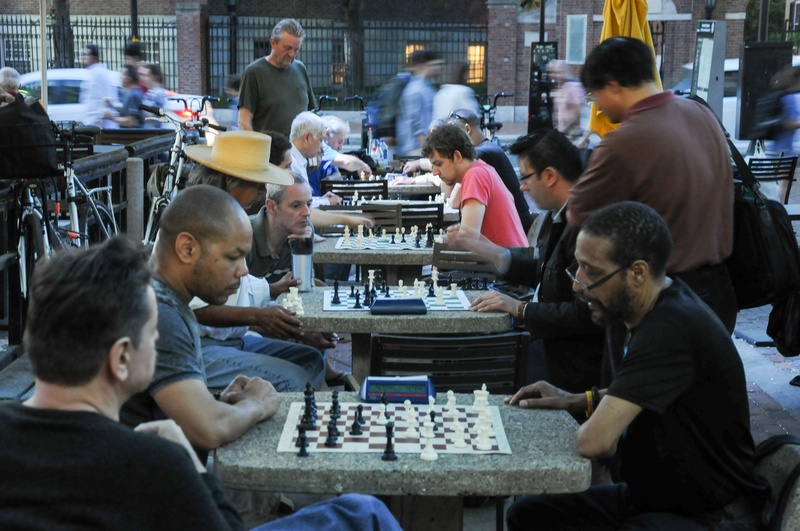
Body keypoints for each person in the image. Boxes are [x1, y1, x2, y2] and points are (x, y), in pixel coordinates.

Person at [1, 236, 402, 531]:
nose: (157, 342)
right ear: (121, 358)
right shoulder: (154, 463)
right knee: (363, 514)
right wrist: (191, 462)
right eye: (152, 333)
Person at [505, 202, 769, 530]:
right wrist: (576, 399)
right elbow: (640, 392)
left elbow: (594, 442)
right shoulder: (662, 304)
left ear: (638, 272)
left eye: (592, 271)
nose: (577, 284)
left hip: (712, 516)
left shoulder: (670, 329)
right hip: (662, 499)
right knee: (527, 515)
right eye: (578, 268)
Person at [567, 37, 737, 333]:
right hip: (721, 290)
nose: (598, 109)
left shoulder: (624, 141)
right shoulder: (702, 113)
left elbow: (578, 215)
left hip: (661, 300)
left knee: (642, 380)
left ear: (614, 85)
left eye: (595, 96)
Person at [121, 185, 282, 460]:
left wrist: (215, 404)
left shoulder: (157, 294)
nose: (243, 270)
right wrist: (255, 404)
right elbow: (207, 430)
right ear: (187, 248)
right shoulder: (162, 315)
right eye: (234, 257)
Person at [451, 130, 604, 392]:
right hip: (541, 339)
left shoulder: (587, 225)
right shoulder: (556, 215)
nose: (522, 186)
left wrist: (520, 309)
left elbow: (585, 313)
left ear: (549, 176)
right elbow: (544, 272)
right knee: (460, 350)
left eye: (525, 177)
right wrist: (501, 256)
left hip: (565, 360)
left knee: (465, 366)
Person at [184, 131, 325, 392]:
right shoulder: (197, 222)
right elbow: (194, 309)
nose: (262, 191)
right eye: (256, 183)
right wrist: (257, 316)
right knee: (291, 379)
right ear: (230, 180)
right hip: (196, 347)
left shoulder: (228, 216)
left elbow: (238, 283)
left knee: (310, 359)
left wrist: (272, 289)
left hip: (232, 341)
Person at [422, 123, 527, 247]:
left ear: (457, 156)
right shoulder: (481, 169)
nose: (435, 172)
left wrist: (443, 239)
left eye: (438, 164)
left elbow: (468, 239)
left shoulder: (475, 176)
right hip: (509, 260)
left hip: (509, 264)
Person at [238, 18, 315, 136]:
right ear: (273, 43)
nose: (292, 54)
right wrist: (253, 150)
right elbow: (244, 120)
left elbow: (311, 113)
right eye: (287, 48)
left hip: (299, 152)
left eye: (296, 50)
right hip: (270, 152)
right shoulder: (254, 72)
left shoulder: (300, 69)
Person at [306, 115, 373, 196]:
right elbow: (347, 162)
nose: (340, 147)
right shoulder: (321, 147)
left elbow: (337, 174)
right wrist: (362, 165)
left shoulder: (330, 154)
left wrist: (329, 179)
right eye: (339, 142)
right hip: (313, 201)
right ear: (327, 133)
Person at [289, 111, 342, 207]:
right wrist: (326, 202)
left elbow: (303, 201)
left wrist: (321, 199)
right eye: (320, 140)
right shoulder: (291, 162)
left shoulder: (298, 160)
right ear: (307, 137)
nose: (321, 147)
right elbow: (300, 207)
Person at [396, 49, 443, 157]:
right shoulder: (419, 89)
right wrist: (430, 153)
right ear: (425, 65)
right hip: (416, 149)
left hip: (415, 147)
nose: (439, 68)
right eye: (435, 64)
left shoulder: (423, 87)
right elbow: (420, 127)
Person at [548, 60, 589, 147]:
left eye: (557, 72)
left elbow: (583, 112)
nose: (554, 75)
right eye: (552, 72)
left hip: (573, 137)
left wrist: (583, 139)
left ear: (565, 71)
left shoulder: (574, 87)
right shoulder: (560, 88)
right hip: (563, 135)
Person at [80, 44, 119, 129]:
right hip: (92, 119)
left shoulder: (100, 73)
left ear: (94, 57)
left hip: (99, 121)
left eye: (86, 55)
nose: (84, 57)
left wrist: (102, 117)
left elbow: (108, 98)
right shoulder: (92, 72)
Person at [138, 63, 167, 128]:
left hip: (155, 130)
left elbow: (153, 115)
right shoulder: (150, 92)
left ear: (154, 77)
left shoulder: (159, 93)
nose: (144, 78)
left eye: (147, 76)